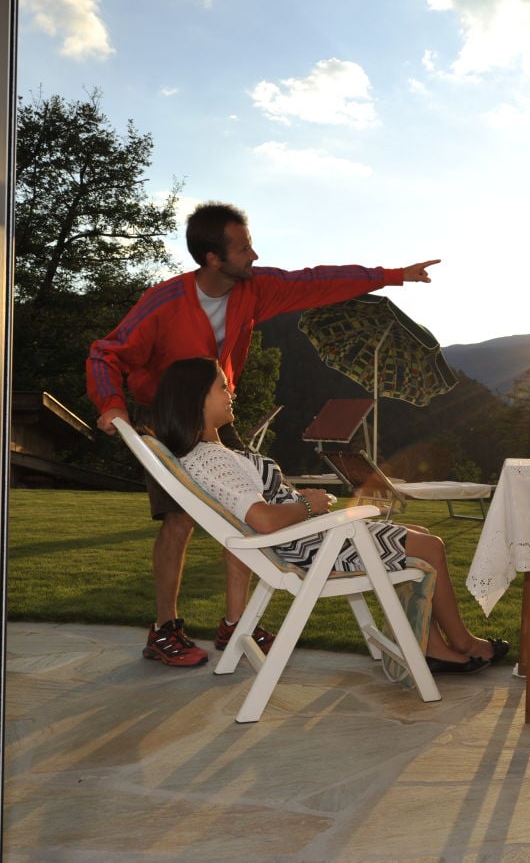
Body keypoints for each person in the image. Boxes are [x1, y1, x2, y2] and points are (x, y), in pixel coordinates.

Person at [88, 201, 440, 667]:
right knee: (181, 519)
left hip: (216, 412)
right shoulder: (164, 303)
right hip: (169, 417)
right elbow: (106, 353)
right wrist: (111, 404)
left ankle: (237, 622)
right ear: (213, 258)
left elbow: (315, 281)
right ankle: (164, 628)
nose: (253, 255)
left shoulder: (254, 290)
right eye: (243, 247)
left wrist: (392, 275)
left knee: (244, 504)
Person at [151, 356, 508, 673]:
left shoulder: (214, 452)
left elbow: (255, 513)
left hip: (306, 539)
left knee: (417, 534)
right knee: (430, 547)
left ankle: (433, 645)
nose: (232, 393)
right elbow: (261, 520)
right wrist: (310, 506)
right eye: (222, 387)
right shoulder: (212, 458)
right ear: (197, 397)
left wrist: (297, 501)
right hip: (310, 547)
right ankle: (462, 642)